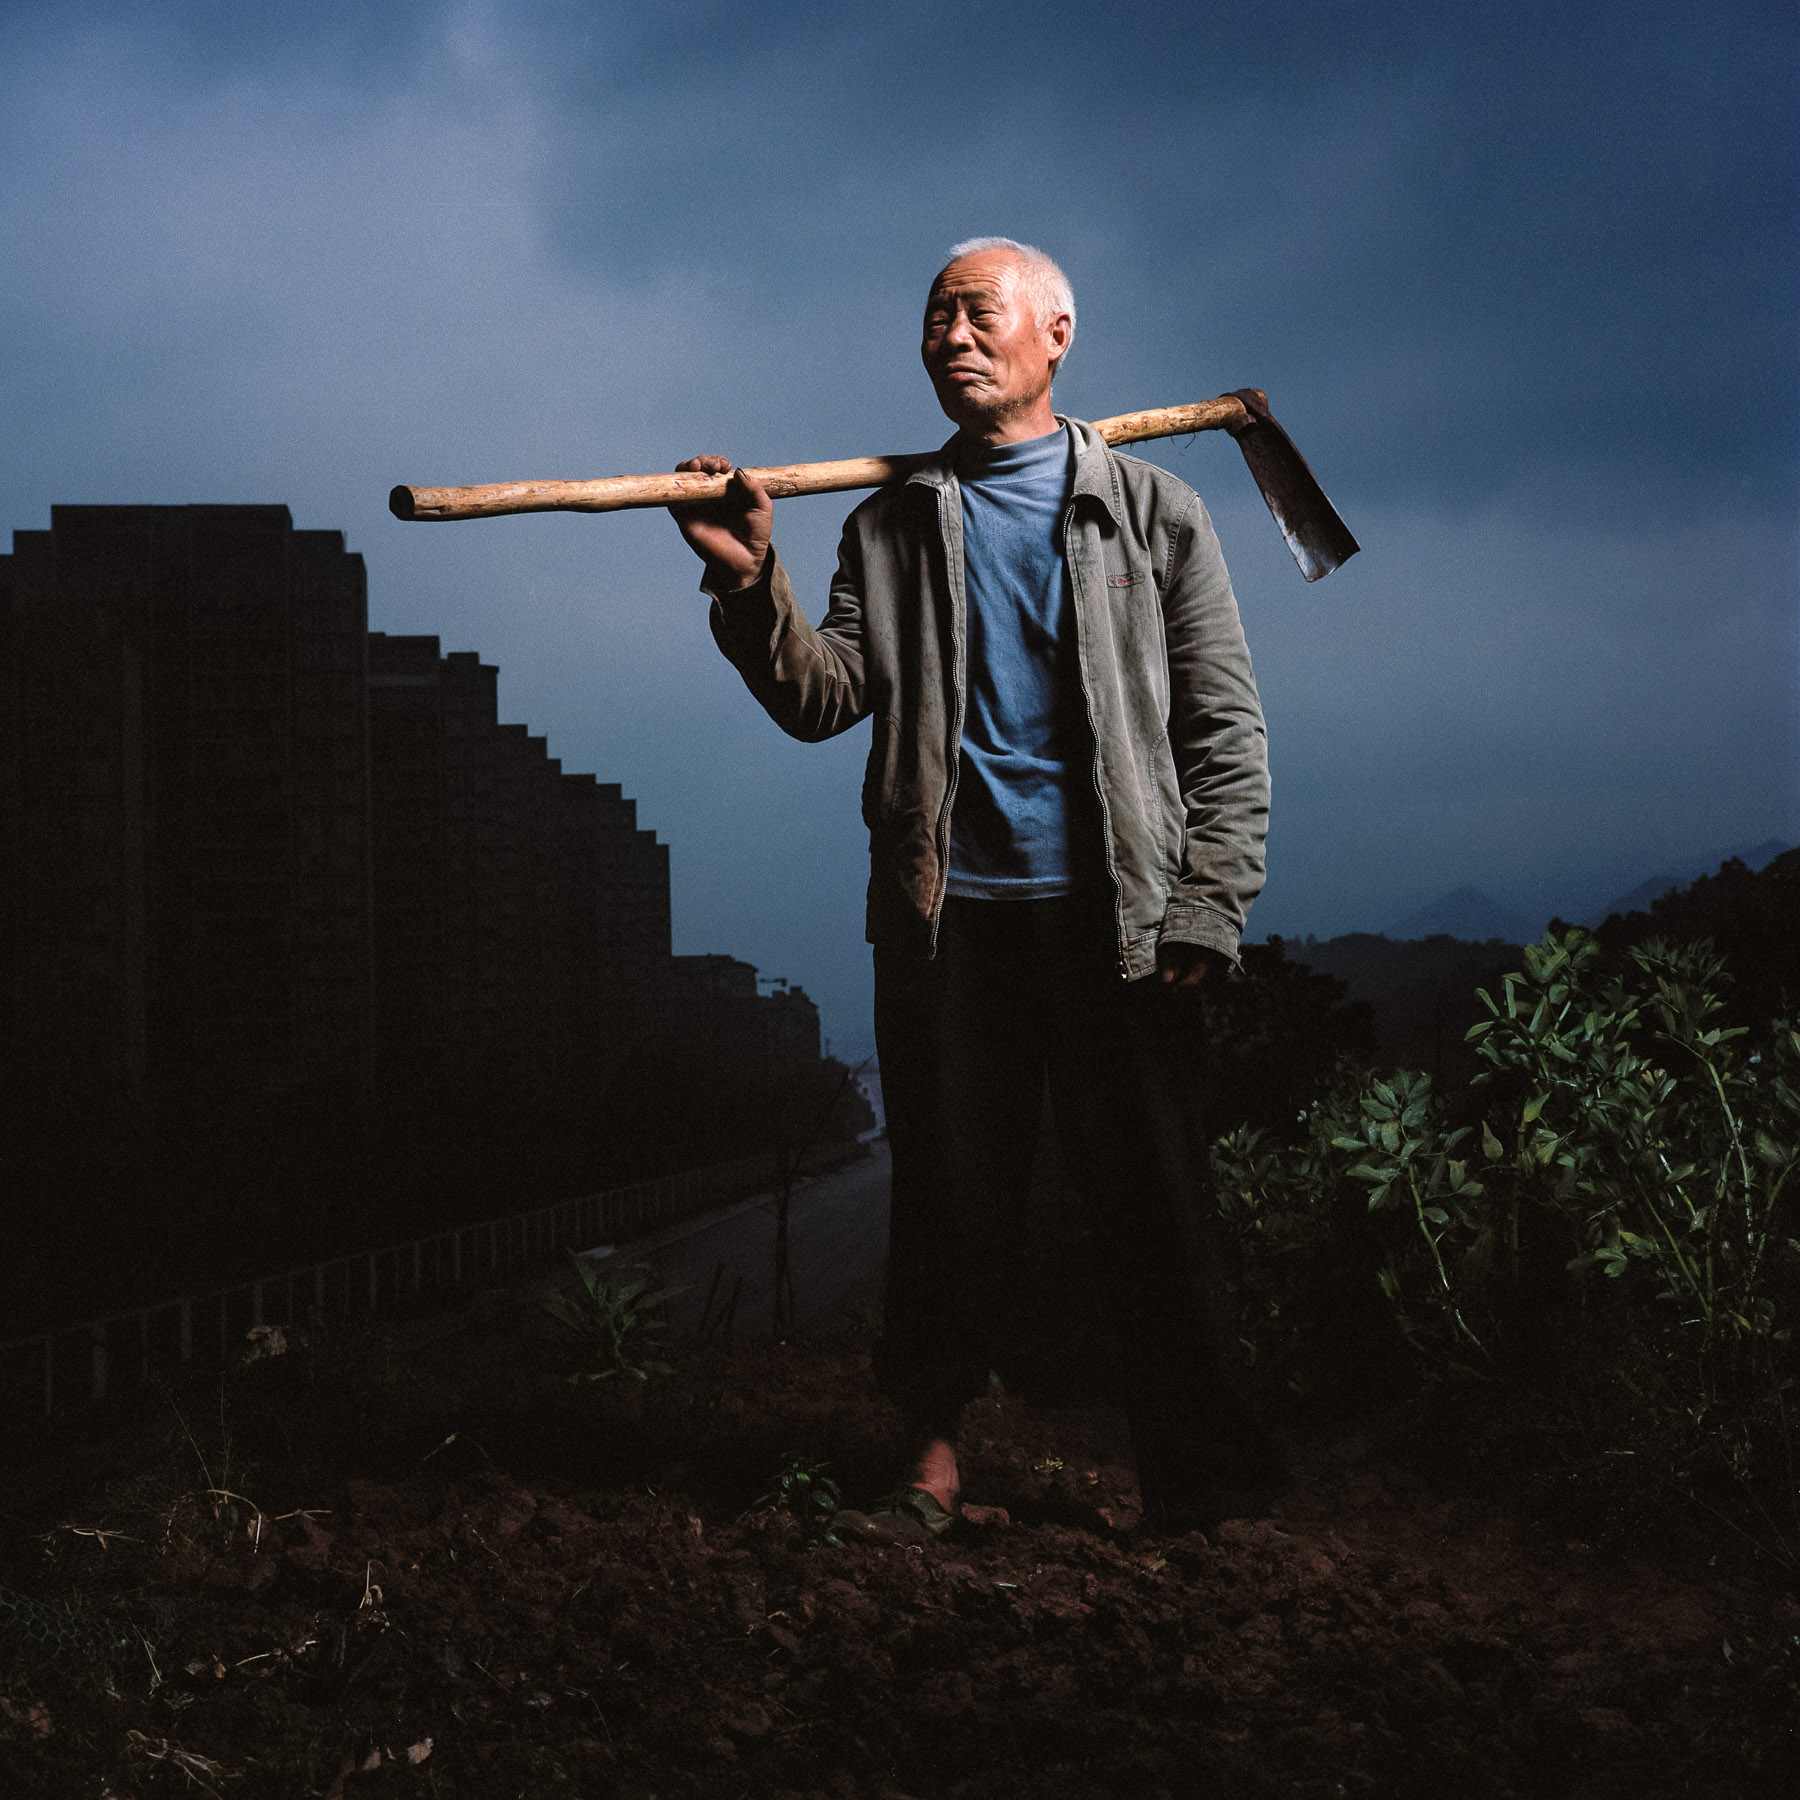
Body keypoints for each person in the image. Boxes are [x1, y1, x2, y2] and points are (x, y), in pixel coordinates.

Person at [671, 237, 1284, 1536]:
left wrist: (1208, 900)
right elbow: (822, 700)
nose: (951, 334)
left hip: (1123, 923)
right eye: (935, 317)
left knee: (1158, 1212)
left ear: (1056, 333)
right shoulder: (887, 525)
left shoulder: (1155, 513)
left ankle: (1210, 1493)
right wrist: (748, 581)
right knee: (950, 1211)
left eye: (979, 312)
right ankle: (930, 1469)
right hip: (950, 929)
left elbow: (1224, 729)